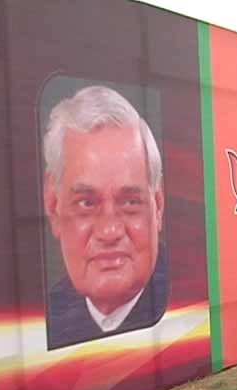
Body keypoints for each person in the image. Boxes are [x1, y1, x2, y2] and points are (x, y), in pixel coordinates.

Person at [42, 86, 167, 350]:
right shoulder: (45, 318)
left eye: (130, 202)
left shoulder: (184, 296)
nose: (109, 231)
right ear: (53, 205)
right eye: (86, 203)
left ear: (157, 204)